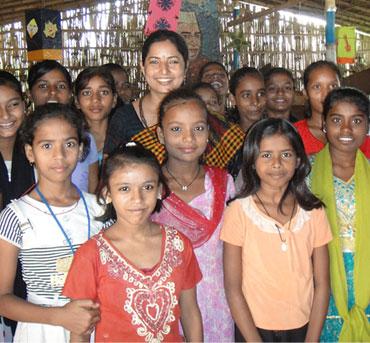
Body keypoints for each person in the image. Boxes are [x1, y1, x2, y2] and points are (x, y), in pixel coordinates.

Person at [63, 142, 203, 342]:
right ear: (107, 194)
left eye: (147, 187)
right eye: (124, 189)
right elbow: (80, 331)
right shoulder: (91, 254)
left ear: (159, 190)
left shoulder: (179, 245)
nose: (137, 199)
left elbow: (190, 311)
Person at [221, 118, 332, 342]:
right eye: (266, 155)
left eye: (286, 154)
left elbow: (322, 285)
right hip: (253, 329)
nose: (277, 163)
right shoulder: (238, 212)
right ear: (252, 161)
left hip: (303, 328)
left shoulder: (314, 212)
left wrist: (311, 340)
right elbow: (233, 288)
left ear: (299, 159)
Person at [0, 103, 104, 342]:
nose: (59, 155)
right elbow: (2, 298)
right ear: (29, 152)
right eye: (47, 146)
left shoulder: (100, 209)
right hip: (41, 329)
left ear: (80, 150)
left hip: (98, 326)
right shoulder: (16, 216)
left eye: (69, 144)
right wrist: (61, 316)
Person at [152, 89, 235, 342]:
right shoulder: (148, 187)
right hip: (164, 307)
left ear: (208, 134)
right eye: (176, 129)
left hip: (219, 306)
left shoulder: (225, 183)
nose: (188, 138)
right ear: (160, 134)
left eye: (198, 128)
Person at [104, 30, 244, 170]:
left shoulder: (207, 117)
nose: (164, 70)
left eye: (173, 61)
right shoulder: (123, 118)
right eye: (154, 61)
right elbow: (110, 174)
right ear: (142, 67)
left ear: (186, 66)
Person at [309, 87, 370, 342]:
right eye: (337, 120)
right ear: (324, 124)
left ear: (367, 126)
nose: (346, 130)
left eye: (356, 121)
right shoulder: (305, 171)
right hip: (321, 277)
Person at [28, 60, 99, 193]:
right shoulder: (23, 139)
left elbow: (92, 189)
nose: (53, 92)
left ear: (70, 94)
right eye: (43, 86)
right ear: (30, 94)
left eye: (61, 86)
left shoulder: (85, 137)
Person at [0, 71, 35, 338]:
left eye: (13, 104)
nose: (5, 115)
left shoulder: (39, 150)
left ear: (25, 105)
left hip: (33, 268)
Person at [74, 66, 117, 167]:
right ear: (77, 101)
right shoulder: (72, 140)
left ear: (114, 99)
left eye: (104, 92)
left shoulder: (124, 139)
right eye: (87, 93)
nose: (95, 99)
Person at [229, 66, 266, 130]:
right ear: (233, 99)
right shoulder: (229, 137)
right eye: (246, 95)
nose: (255, 102)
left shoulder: (277, 134)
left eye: (260, 94)